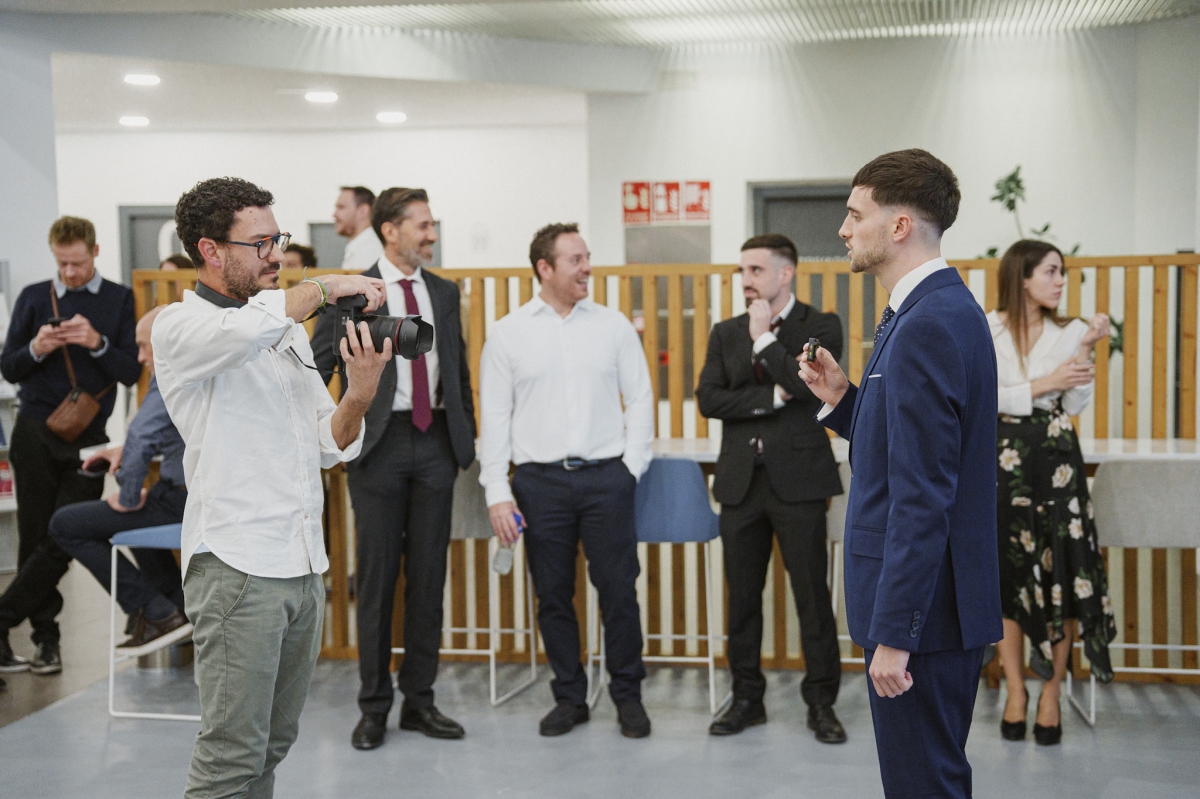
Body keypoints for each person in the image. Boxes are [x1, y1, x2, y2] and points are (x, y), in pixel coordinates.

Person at [154, 177, 390, 799]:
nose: (276, 255)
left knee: (270, 748)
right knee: (230, 758)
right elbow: (242, 333)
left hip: (302, 563)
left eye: (278, 239)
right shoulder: (180, 328)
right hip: (237, 567)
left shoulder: (282, 329)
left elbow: (326, 443)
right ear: (211, 250)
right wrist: (330, 285)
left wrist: (360, 394)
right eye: (260, 243)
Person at [799, 149, 1002, 799]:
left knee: (924, 786)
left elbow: (922, 494)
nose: (843, 228)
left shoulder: (929, 323)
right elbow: (907, 451)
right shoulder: (920, 312)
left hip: (924, 617)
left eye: (855, 214)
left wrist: (895, 632)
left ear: (899, 225)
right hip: (931, 609)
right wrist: (844, 399)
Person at [313, 187, 476, 750]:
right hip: (376, 446)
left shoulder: (445, 293)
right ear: (390, 231)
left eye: (431, 226)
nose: (431, 235)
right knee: (378, 582)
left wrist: (465, 443)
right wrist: (333, 427)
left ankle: (420, 703)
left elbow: (455, 368)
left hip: (435, 443)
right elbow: (317, 366)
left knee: (429, 580)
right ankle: (374, 707)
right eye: (423, 225)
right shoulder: (352, 292)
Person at [480, 223, 655, 739]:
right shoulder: (508, 332)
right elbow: (495, 415)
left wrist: (632, 468)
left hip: (607, 479)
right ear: (545, 268)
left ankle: (628, 695)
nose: (587, 268)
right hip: (538, 483)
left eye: (587, 257)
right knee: (553, 595)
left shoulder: (614, 326)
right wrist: (497, 491)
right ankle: (570, 697)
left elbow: (641, 398)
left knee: (619, 592)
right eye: (575, 260)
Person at [696, 234, 846, 742]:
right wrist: (772, 396)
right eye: (742, 271)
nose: (746, 281)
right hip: (740, 483)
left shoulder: (820, 326)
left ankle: (822, 704)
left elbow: (809, 384)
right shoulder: (724, 332)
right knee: (743, 601)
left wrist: (765, 343)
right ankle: (746, 700)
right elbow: (710, 399)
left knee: (811, 598)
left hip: (800, 482)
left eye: (756, 270)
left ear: (786, 274)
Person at [0, 216, 141, 676]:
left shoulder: (119, 298)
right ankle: (46, 638)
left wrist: (96, 343)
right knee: (35, 533)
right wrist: (38, 347)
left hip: (90, 437)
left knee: (64, 536)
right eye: (62, 264)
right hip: (35, 428)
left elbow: (129, 372)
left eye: (77, 263)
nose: (70, 273)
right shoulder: (35, 296)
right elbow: (10, 368)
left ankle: (3, 622)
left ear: (95, 253)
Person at [989, 239, 1116, 746]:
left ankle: (1052, 690)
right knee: (1008, 575)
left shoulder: (1073, 331)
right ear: (1022, 276)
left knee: (1062, 573)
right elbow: (981, 396)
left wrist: (1084, 353)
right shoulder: (988, 327)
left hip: (1059, 461)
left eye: (1062, 273)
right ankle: (1016, 688)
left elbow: (1077, 399)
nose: (1061, 281)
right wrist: (1044, 383)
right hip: (1003, 460)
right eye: (1051, 271)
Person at [50, 305, 192, 649]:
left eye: (146, 346)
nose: (141, 357)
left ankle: (156, 611)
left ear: (167, 342)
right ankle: (178, 610)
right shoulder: (209, 371)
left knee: (65, 524)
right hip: (199, 498)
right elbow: (167, 435)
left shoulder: (173, 374)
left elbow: (144, 436)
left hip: (182, 501)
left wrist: (127, 494)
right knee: (141, 516)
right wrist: (124, 451)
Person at [335, 185, 383, 271]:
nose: (334, 214)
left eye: (341, 207)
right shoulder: (360, 247)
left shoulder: (368, 251)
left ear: (363, 211)